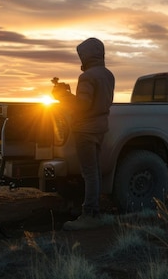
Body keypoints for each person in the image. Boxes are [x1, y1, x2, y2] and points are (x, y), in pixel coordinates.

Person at [52, 37, 115, 230]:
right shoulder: (108, 74)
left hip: (85, 130)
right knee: (94, 171)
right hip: (100, 128)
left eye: (81, 55)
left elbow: (82, 106)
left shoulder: (87, 77)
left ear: (86, 55)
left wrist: (63, 96)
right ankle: (93, 211)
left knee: (89, 173)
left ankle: (89, 214)